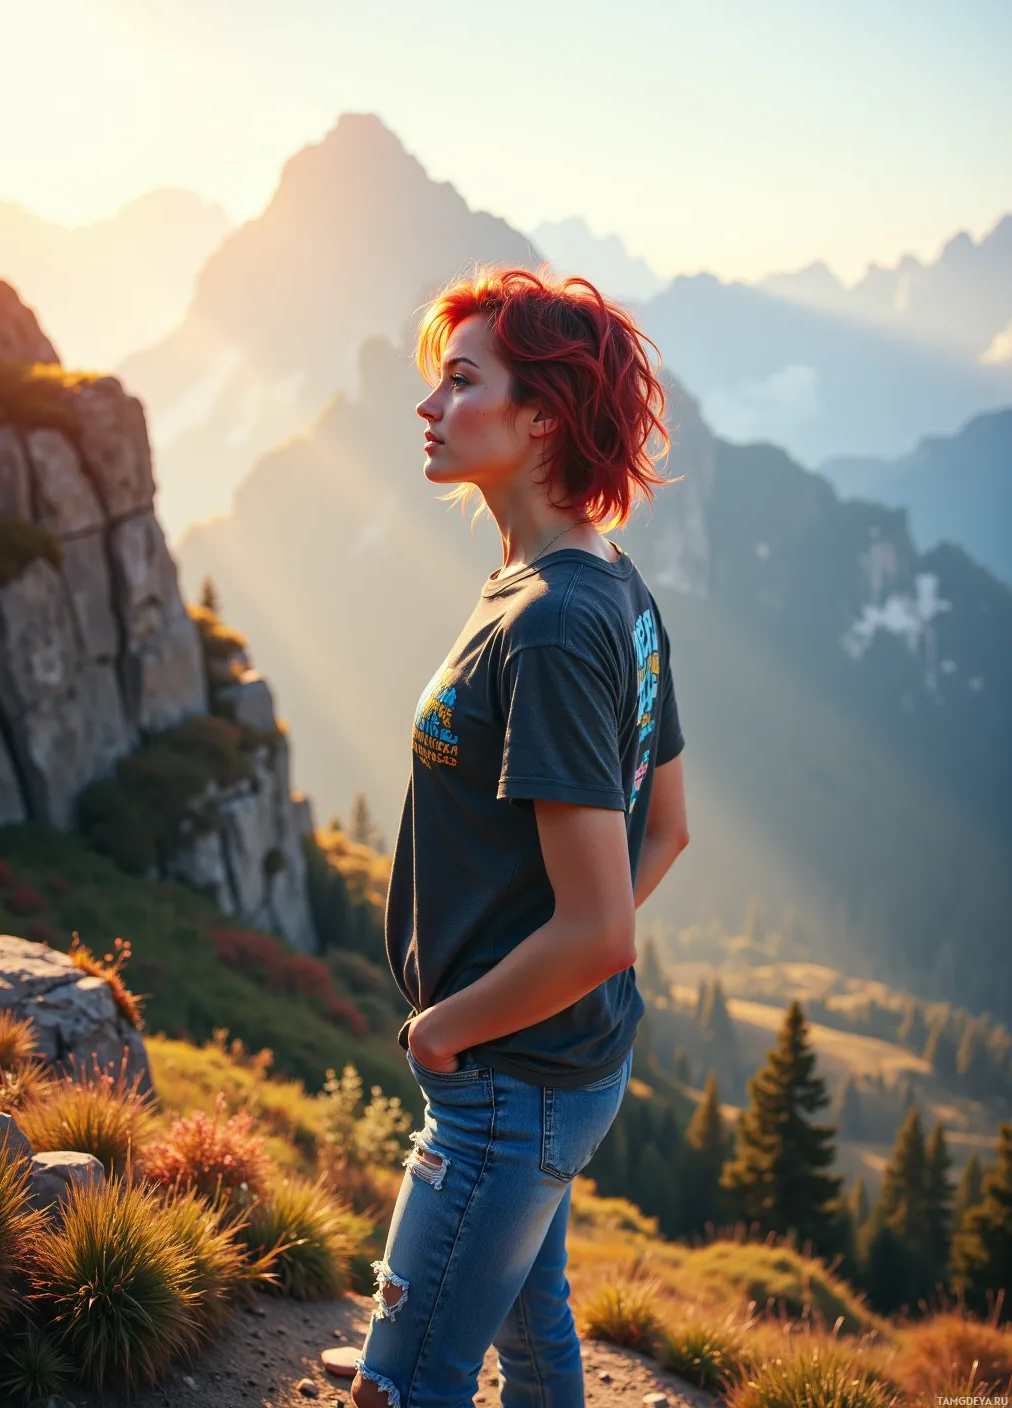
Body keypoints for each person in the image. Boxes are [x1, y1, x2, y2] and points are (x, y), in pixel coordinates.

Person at [352, 267, 689, 1408]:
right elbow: (671, 826)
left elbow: (600, 929)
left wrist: (448, 1029)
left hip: (505, 1081)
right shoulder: (604, 585)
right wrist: (547, 974)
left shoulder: (549, 626)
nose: (427, 407)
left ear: (541, 412)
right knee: (533, 1336)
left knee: (401, 1383)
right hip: (561, 1064)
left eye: (461, 380)